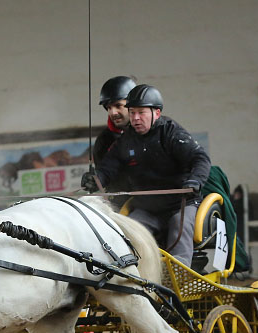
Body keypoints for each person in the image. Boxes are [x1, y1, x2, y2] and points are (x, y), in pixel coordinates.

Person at [82, 84, 210, 267]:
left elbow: (200, 159)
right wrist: (96, 179)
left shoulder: (172, 132)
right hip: (147, 209)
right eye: (132, 112)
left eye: (141, 112)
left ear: (156, 113)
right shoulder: (126, 140)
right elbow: (108, 168)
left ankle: (180, 278)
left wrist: (195, 180)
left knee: (178, 228)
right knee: (126, 233)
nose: (135, 118)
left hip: (180, 204)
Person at [93, 76, 137, 163]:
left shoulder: (158, 132)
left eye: (118, 106)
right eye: (109, 107)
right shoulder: (104, 141)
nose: (113, 112)